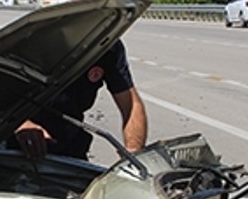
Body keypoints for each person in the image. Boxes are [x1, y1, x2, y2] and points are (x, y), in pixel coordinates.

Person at [12, 41, 147, 161]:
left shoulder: (106, 45)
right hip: (15, 148)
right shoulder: (30, 40)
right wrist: (20, 123)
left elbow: (131, 105)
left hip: (71, 148)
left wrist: (133, 152)